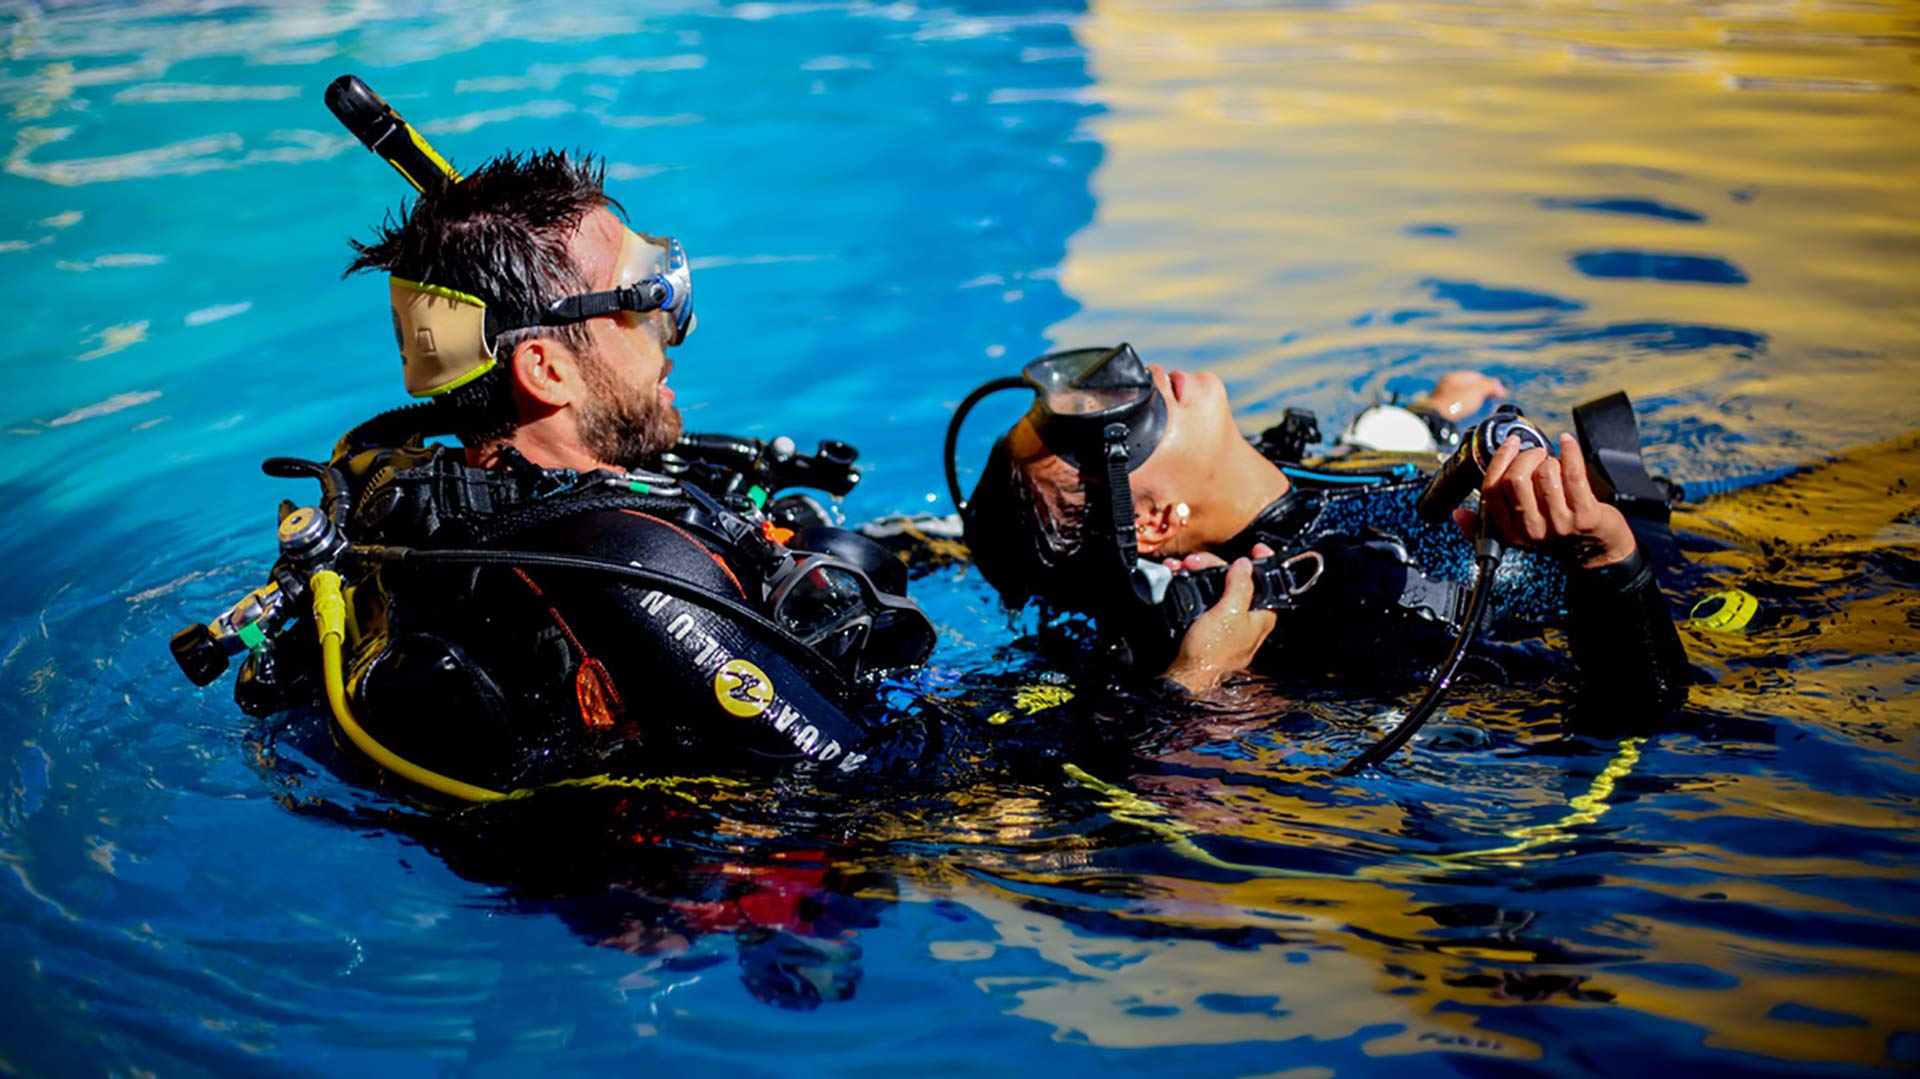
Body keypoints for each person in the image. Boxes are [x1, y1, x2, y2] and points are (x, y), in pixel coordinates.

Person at [176, 151, 936, 799]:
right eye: (642, 307)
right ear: (545, 368)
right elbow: (864, 779)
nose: (669, 338)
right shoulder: (631, 568)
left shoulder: (406, 488)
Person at [952, 343, 1691, 739]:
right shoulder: (1332, 599)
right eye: (1113, 420)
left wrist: (1433, 414)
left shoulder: (1284, 464)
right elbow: (1641, 709)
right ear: (1156, 523)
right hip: (1720, 598)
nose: (1128, 379)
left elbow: (1364, 473)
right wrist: (1607, 554)